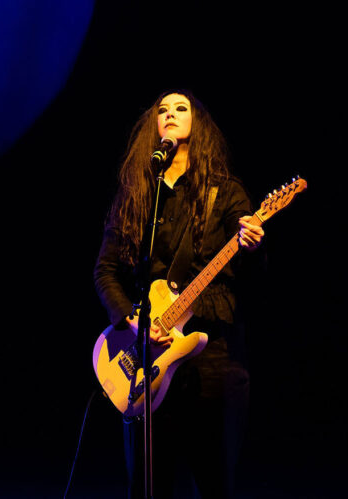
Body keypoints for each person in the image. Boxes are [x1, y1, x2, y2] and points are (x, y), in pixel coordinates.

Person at [93, 89, 265, 499]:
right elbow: (105, 270)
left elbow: (254, 278)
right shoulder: (137, 192)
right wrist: (131, 322)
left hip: (212, 361)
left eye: (181, 108)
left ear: (197, 124)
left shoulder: (224, 191)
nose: (169, 114)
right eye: (162, 110)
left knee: (214, 484)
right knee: (148, 487)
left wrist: (255, 247)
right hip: (146, 360)